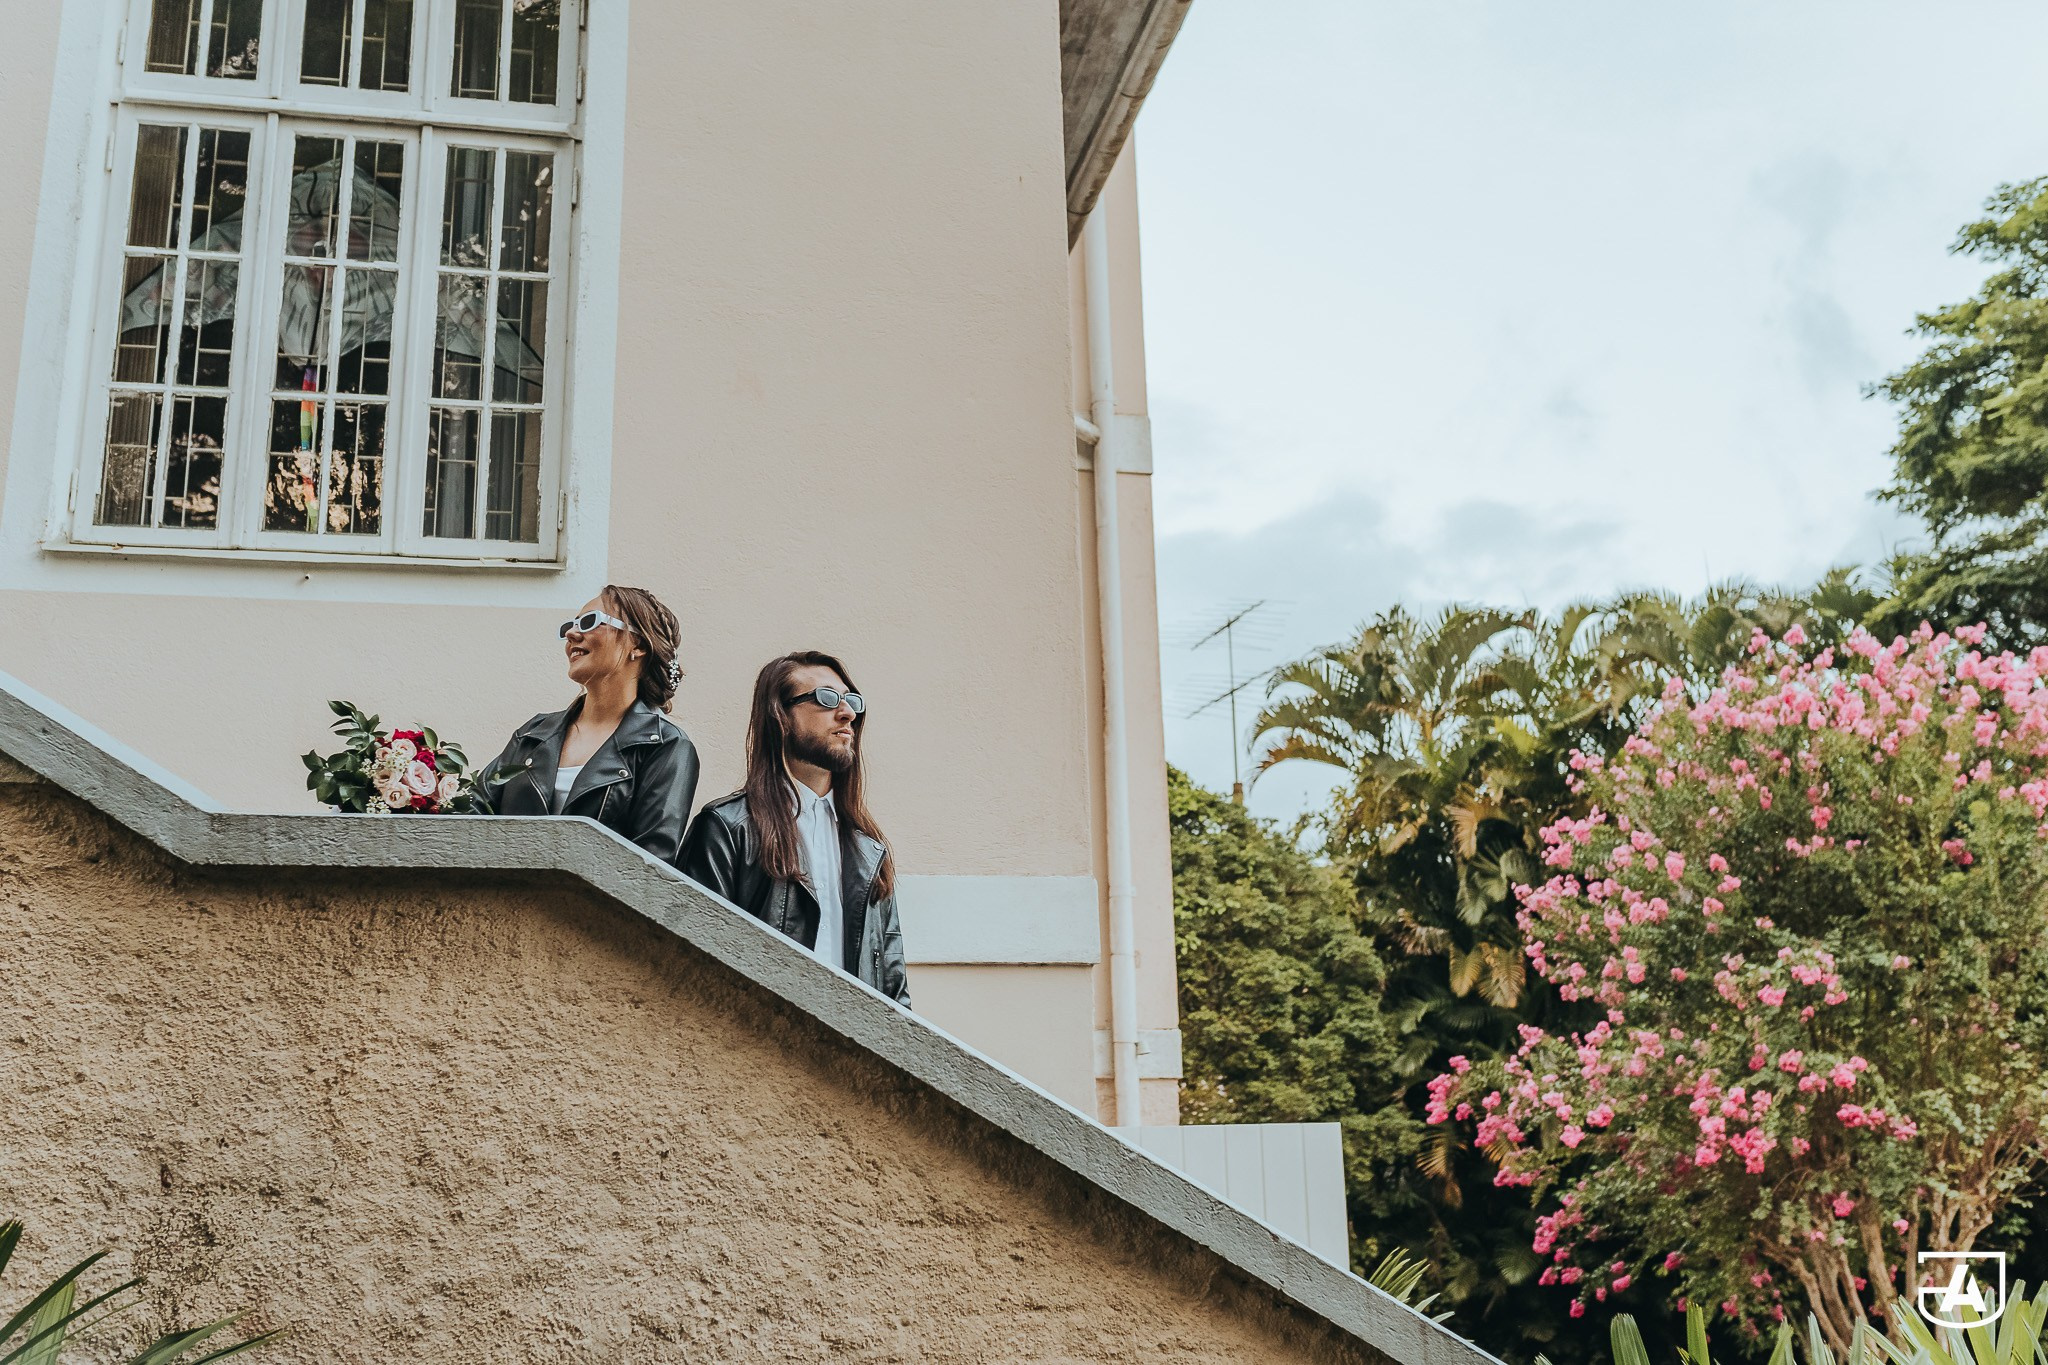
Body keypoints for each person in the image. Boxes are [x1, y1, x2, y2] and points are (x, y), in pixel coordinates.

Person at [678, 651, 910, 1004]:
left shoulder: (869, 850)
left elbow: (894, 990)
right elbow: (695, 964)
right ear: (780, 717)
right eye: (826, 699)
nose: (847, 713)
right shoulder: (728, 828)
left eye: (851, 701)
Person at [476, 586, 700, 862]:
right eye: (570, 626)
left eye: (590, 622)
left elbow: (652, 860)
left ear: (638, 645)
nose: (571, 634)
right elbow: (476, 810)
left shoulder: (666, 746)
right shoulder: (534, 733)